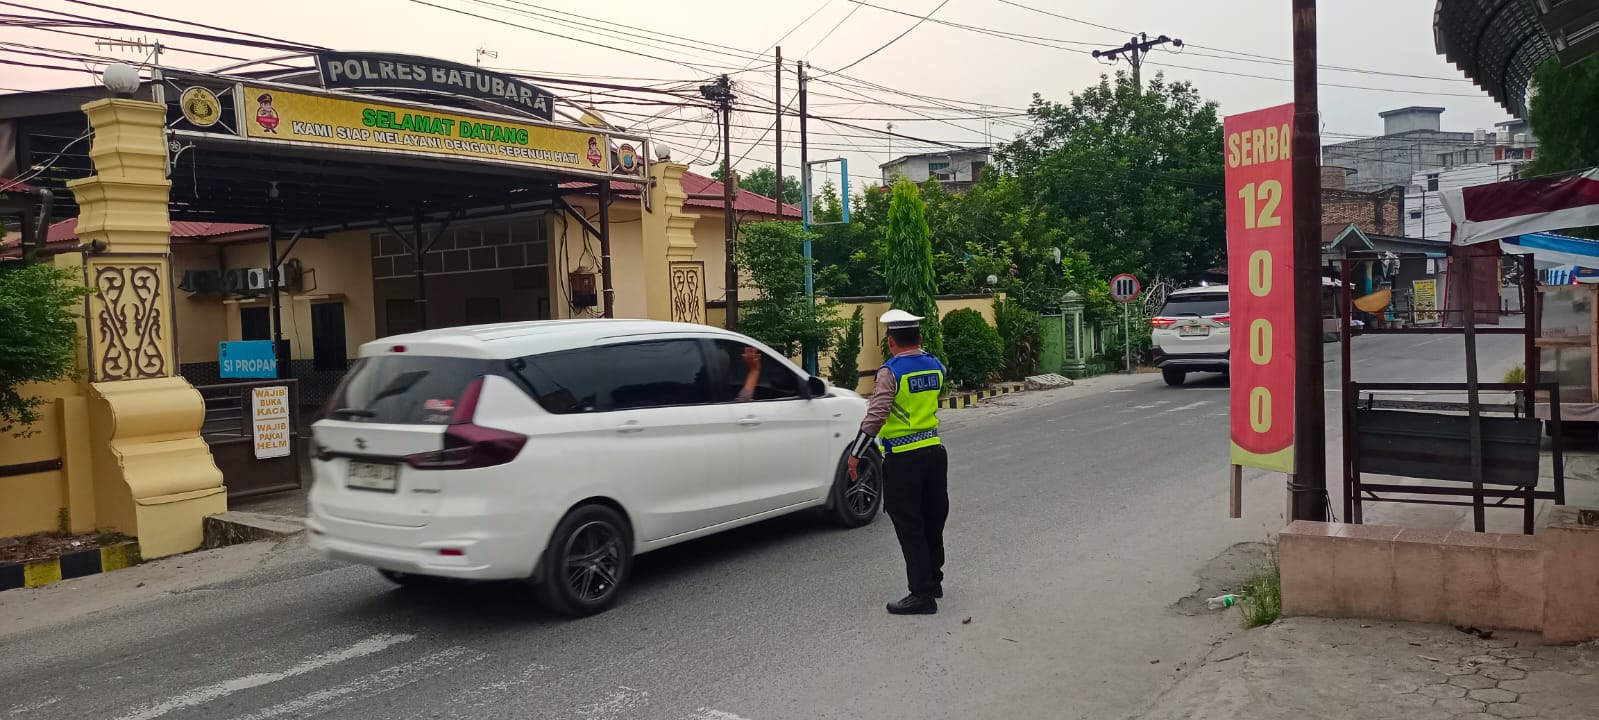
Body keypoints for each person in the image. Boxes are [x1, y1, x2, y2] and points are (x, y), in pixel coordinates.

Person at [848, 309, 949, 615]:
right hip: (934, 451)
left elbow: (877, 414)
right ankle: (933, 580)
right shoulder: (936, 366)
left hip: (904, 457)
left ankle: (921, 594)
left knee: (909, 523)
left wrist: (856, 452)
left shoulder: (890, 372)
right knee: (933, 517)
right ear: (919, 337)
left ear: (890, 342)